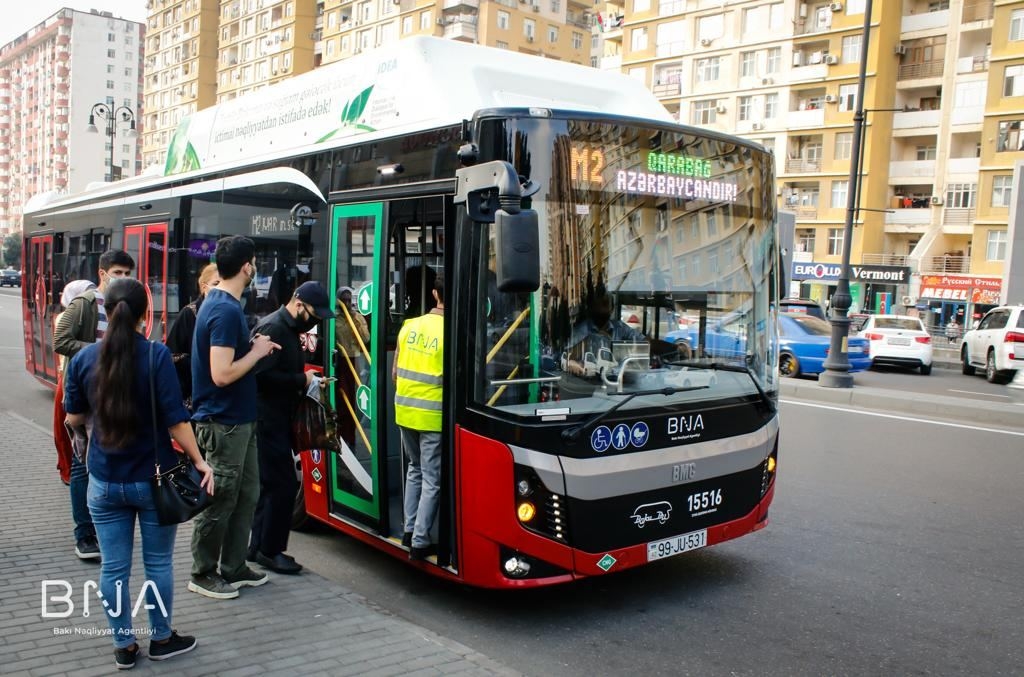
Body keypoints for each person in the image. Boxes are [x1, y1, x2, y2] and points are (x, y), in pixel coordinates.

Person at [63, 277, 214, 670]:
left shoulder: (83, 360)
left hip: (104, 481)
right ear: (144, 315)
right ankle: (162, 638)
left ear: (106, 311)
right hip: (153, 479)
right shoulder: (155, 356)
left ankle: (124, 646)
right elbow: (176, 421)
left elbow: (73, 416)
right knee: (159, 564)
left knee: (113, 568)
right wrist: (199, 461)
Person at [189, 236, 280, 599]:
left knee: (246, 494)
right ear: (247, 266)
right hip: (224, 422)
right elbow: (221, 374)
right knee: (222, 498)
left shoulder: (222, 304)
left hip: (238, 419)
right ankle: (202, 572)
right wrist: (257, 352)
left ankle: (234, 565)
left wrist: (255, 348)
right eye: (254, 262)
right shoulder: (225, 310)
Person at [53, 249, 135, 560]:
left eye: (128, 274)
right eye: (118, 272)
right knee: (82, 463)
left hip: (115, 392)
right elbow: (61, 340)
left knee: (107, 459)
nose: (123, 279)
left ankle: (103, 525)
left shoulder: (126, 304)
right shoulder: (85, 303)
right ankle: (84, 534)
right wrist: (101, 351)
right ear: (102, 274)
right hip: (87, 390)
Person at [249, 281, 334, 574]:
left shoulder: (289, 328)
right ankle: (270, 551)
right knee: (282, 485)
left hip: (277, 416)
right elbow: (260, 378)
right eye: (313, 313)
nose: (315, 320)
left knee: (271, 485)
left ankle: (257, 547)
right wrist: (303, 381)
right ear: (298, 304)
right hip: (267, 418)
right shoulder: (275, 328)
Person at [392, 273, 445, 561]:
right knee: (432, 479)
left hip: (405, 411)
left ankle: (409, 530)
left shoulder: (409, 326)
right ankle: (421, 542)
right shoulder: (452, 330)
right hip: (432, 417)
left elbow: (395, 374)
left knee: (415, 470)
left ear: (435, 295)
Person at [52, 279, 96, 487]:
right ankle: (67, 468)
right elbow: (61, 343)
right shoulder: (68, 315)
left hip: (79, 378)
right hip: (68, 379)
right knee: (69, 428)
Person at [165, 263, 220, 410]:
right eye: (216, 283)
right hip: (193, 393)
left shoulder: (227, 311)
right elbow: (172, 354)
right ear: (203, 286)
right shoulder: (190, 313)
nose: (220, 288)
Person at [565, 291, 644, 377]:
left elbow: (644, 342)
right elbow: (567, 356)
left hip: (616, 382)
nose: (601, 309)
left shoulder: (620, 328)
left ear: (612, 308)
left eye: (605, 304)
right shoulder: (582, 330)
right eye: (597, 305)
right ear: (592, 307)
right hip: (586, 383)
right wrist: (572, 363)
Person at [335, 285, 370, 447]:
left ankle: (352, 438)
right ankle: (342, 436)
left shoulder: (357, 318)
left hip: (356, 360)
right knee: (343, 401)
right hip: (341, 361)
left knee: (355, 401)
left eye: (349, 300)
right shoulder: (335, 319)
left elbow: (366, 339)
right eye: (344, 300)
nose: (347, 304)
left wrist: (355, 320)